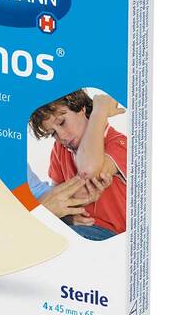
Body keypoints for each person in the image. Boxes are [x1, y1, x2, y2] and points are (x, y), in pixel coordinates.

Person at [29, 90, 127, 241]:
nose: (61, 136)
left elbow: (87, 171)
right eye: (52, 133)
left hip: (112, 235)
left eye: (62, 122)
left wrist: (99, 112)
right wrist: (68, 216)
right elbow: (58, 197)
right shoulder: (60, 149)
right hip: (77, 228)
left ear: (81, 108)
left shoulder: (119, 143)